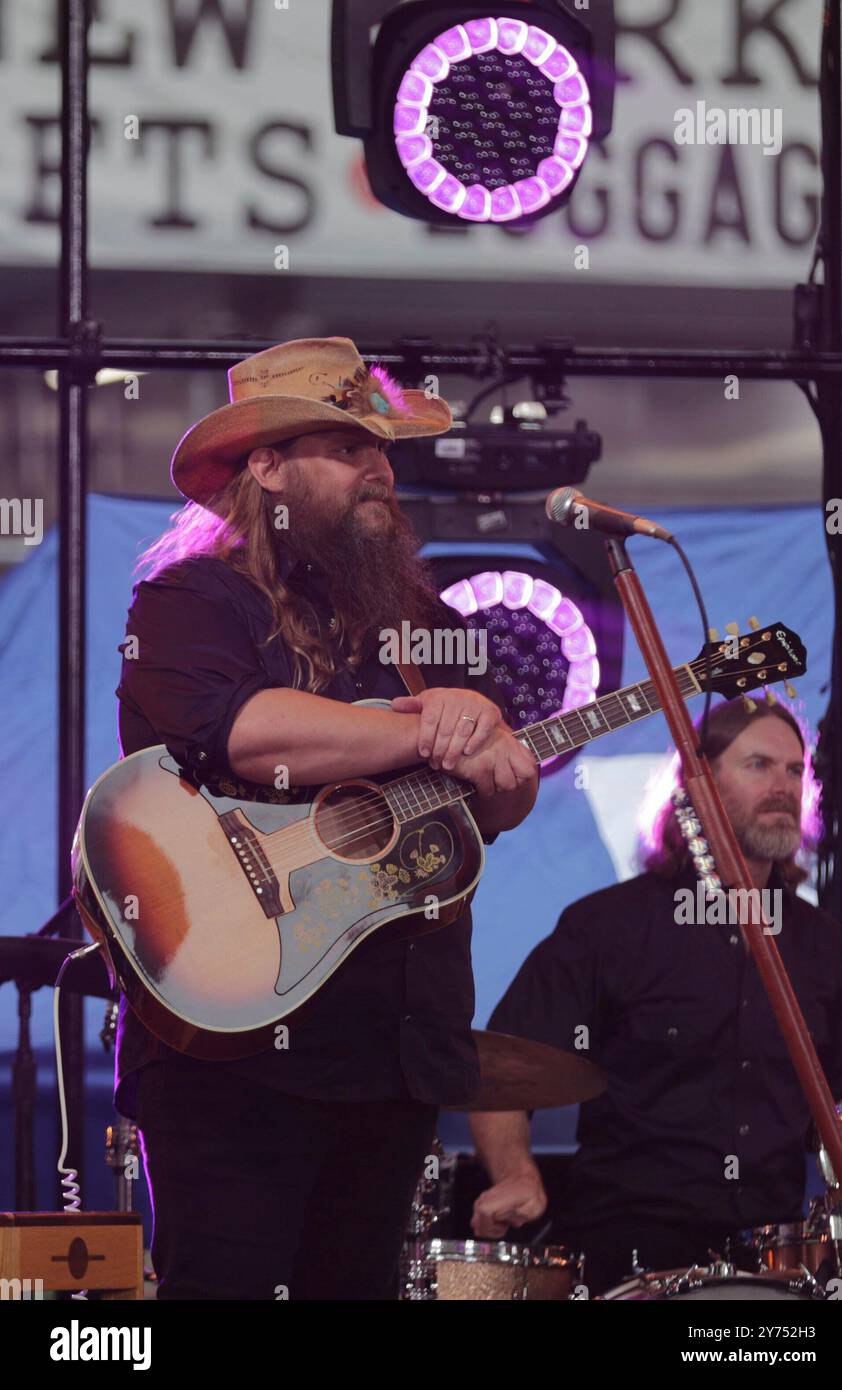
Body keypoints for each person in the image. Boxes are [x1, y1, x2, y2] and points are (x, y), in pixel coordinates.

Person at [113, 336, 539, 1300]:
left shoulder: (428, 626)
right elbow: (247, 733)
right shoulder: (191, 599)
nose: (378, 467)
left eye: (381, 449)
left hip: (392, 1049)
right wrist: (422, 724)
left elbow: (495, 806)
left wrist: (502, 758)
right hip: (233, 1049)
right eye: (346, 449)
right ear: (266, 467)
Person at [469, 699, 842, 1296]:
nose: (784, 785)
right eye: (759, 764)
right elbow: (500, 1071)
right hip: (629, 1253)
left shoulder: (826, 947)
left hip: (777, 1262)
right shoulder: (608, 927)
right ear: (696, 787)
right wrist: (516, 1173)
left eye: (794, 769)